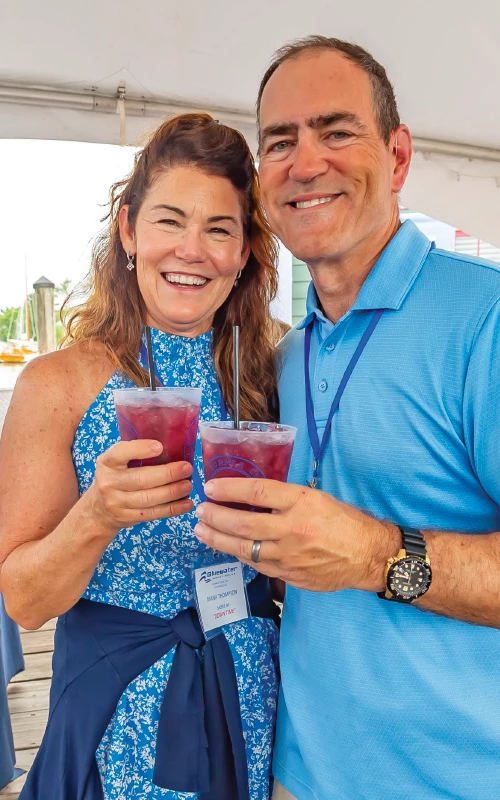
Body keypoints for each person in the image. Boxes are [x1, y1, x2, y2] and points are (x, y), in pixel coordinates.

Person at [192, 36, 500, 800]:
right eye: (281, 142)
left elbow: (356, 551)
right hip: (298, 773)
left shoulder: (484, 318)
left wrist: (369, 554)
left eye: (337, 131)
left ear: (397, 157)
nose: (306, 162)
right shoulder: (290, 356)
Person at [0, 113, 281, 800]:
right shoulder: (58, 383)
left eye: (220, 228)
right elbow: (25, 600)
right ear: (128, 230)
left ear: (244, 250)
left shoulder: (269, 370)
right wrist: (96, 514)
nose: (193, 250)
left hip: (246, 683)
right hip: (116, 696)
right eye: (168, 221)